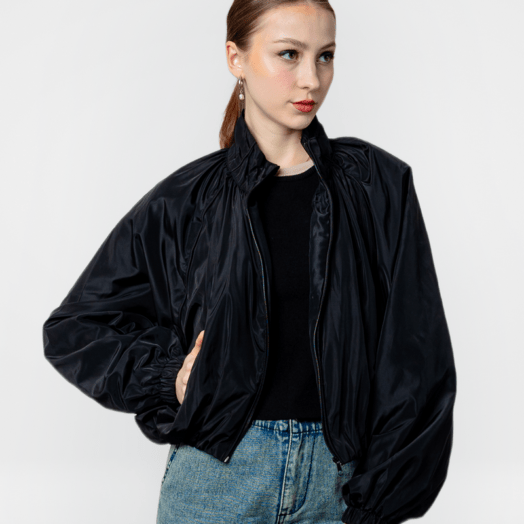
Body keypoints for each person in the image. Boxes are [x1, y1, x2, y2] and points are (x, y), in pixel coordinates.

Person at [42, 1, 457, 523]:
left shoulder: (376, 185)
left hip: (339, 484)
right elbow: (75, 328)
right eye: (289, 54)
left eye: (325, 56)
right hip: (218, 480)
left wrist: (380, 497)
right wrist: (169, 378)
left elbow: (417, 359)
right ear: (235, 58)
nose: (311, 79)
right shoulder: (187, 200)